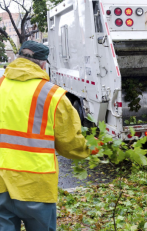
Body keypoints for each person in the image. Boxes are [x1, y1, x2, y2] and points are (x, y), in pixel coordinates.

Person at [0, 41, 91, 231]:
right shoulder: (52, 94)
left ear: (18, 58)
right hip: (36, 185)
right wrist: (90, 149)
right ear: (43, 64)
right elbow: (70, 144)